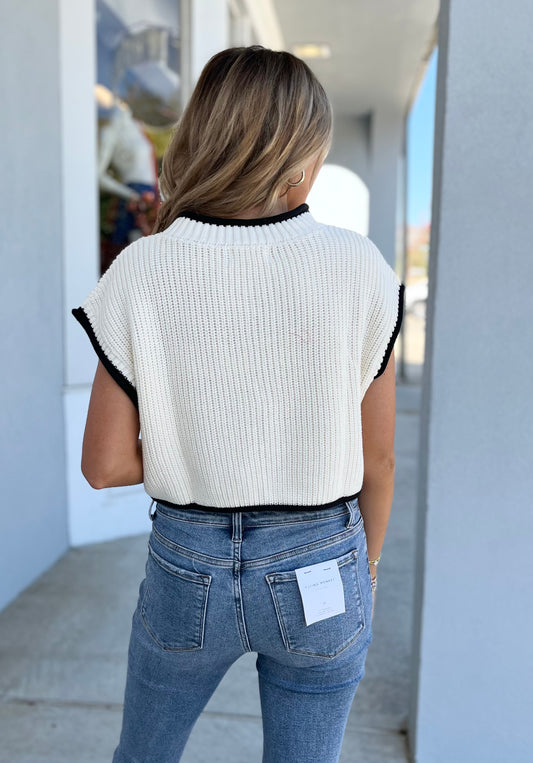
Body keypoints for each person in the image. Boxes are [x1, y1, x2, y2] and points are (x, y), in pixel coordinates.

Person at [72, 45, 405, 763]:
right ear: (304, 153)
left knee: (144, 754)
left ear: (200, 136)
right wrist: (364, 573)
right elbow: (377, 456)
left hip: (186, 566)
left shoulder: (144, 267)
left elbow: (102, 465)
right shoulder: (360, 267)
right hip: (324, 562)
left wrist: (203, 447)